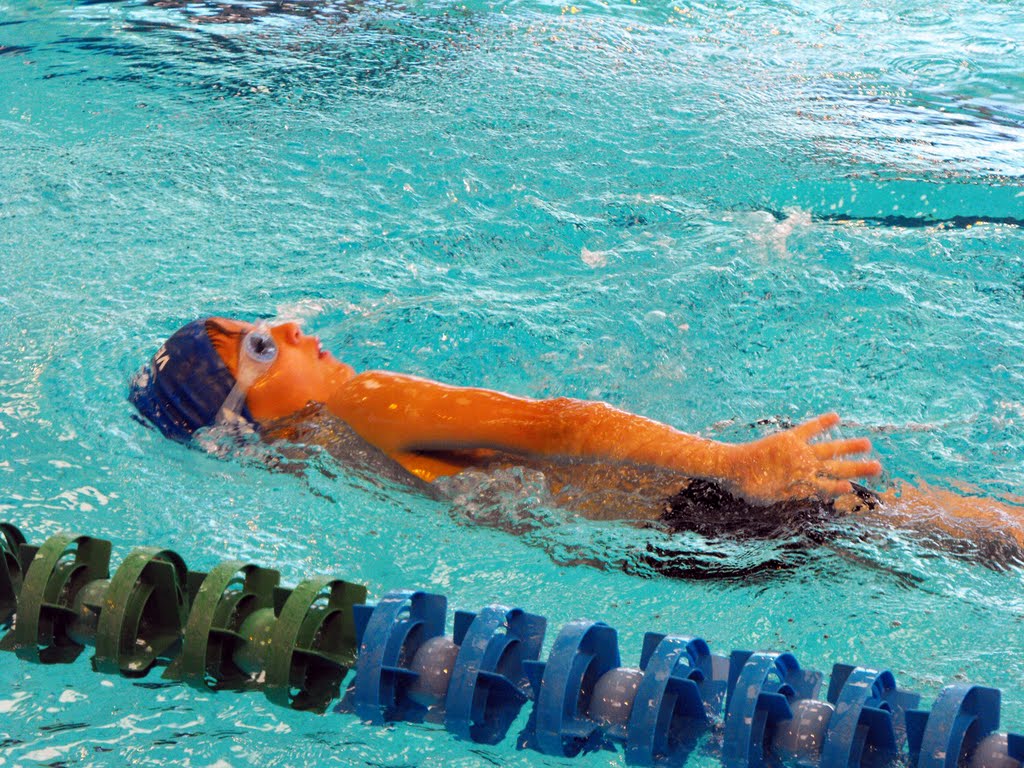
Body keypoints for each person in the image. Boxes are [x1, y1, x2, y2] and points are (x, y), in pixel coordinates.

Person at [129, 317, 1024, 558]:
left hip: (684, 513)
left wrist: (732, 467)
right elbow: (559, 425)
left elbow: (559, 432)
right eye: (259, 346)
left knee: (936, 530)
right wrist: (734, 465)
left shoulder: (327, 448)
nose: (289, 329)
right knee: (934, 530)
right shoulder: (358, 409)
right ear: (242, 413)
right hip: (697, 503)